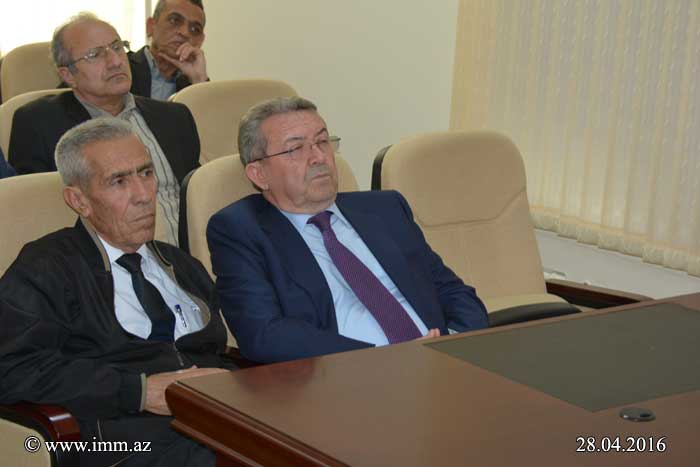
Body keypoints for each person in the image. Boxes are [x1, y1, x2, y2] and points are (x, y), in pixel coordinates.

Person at [0, 118, 233, 467]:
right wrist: (139, 392)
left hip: (212, 420)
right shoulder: (48, 268)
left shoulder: (180, 265)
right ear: (79, 200)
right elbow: (13, 368)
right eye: (119, 181)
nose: (144, 195)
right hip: (118, 439)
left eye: (146, 173)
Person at [206, 97, 489, 364]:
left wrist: (452, 343)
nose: (318, 157)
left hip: (442, 365)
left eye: (322, 141)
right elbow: (265, 334)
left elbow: (453, 291)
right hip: (347, 379)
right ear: (259, 174)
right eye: (295, 149)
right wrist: (383, 360)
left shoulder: (385, 209)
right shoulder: (240, 231)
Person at [8, 13, 200, 245]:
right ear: (68, 75)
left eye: (118, 47)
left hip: (187, 258)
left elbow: (197, 200)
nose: (116, 61)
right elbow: (38, 214)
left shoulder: (174, 117)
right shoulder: (39, 123)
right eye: (95, 55)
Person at [129, 0, 208, 100]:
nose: (185, 33)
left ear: (200, 41)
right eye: (175, 20)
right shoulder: (123, 68)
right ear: (150, 26)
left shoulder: (194, 84)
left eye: (195, 29)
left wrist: (199, 80)